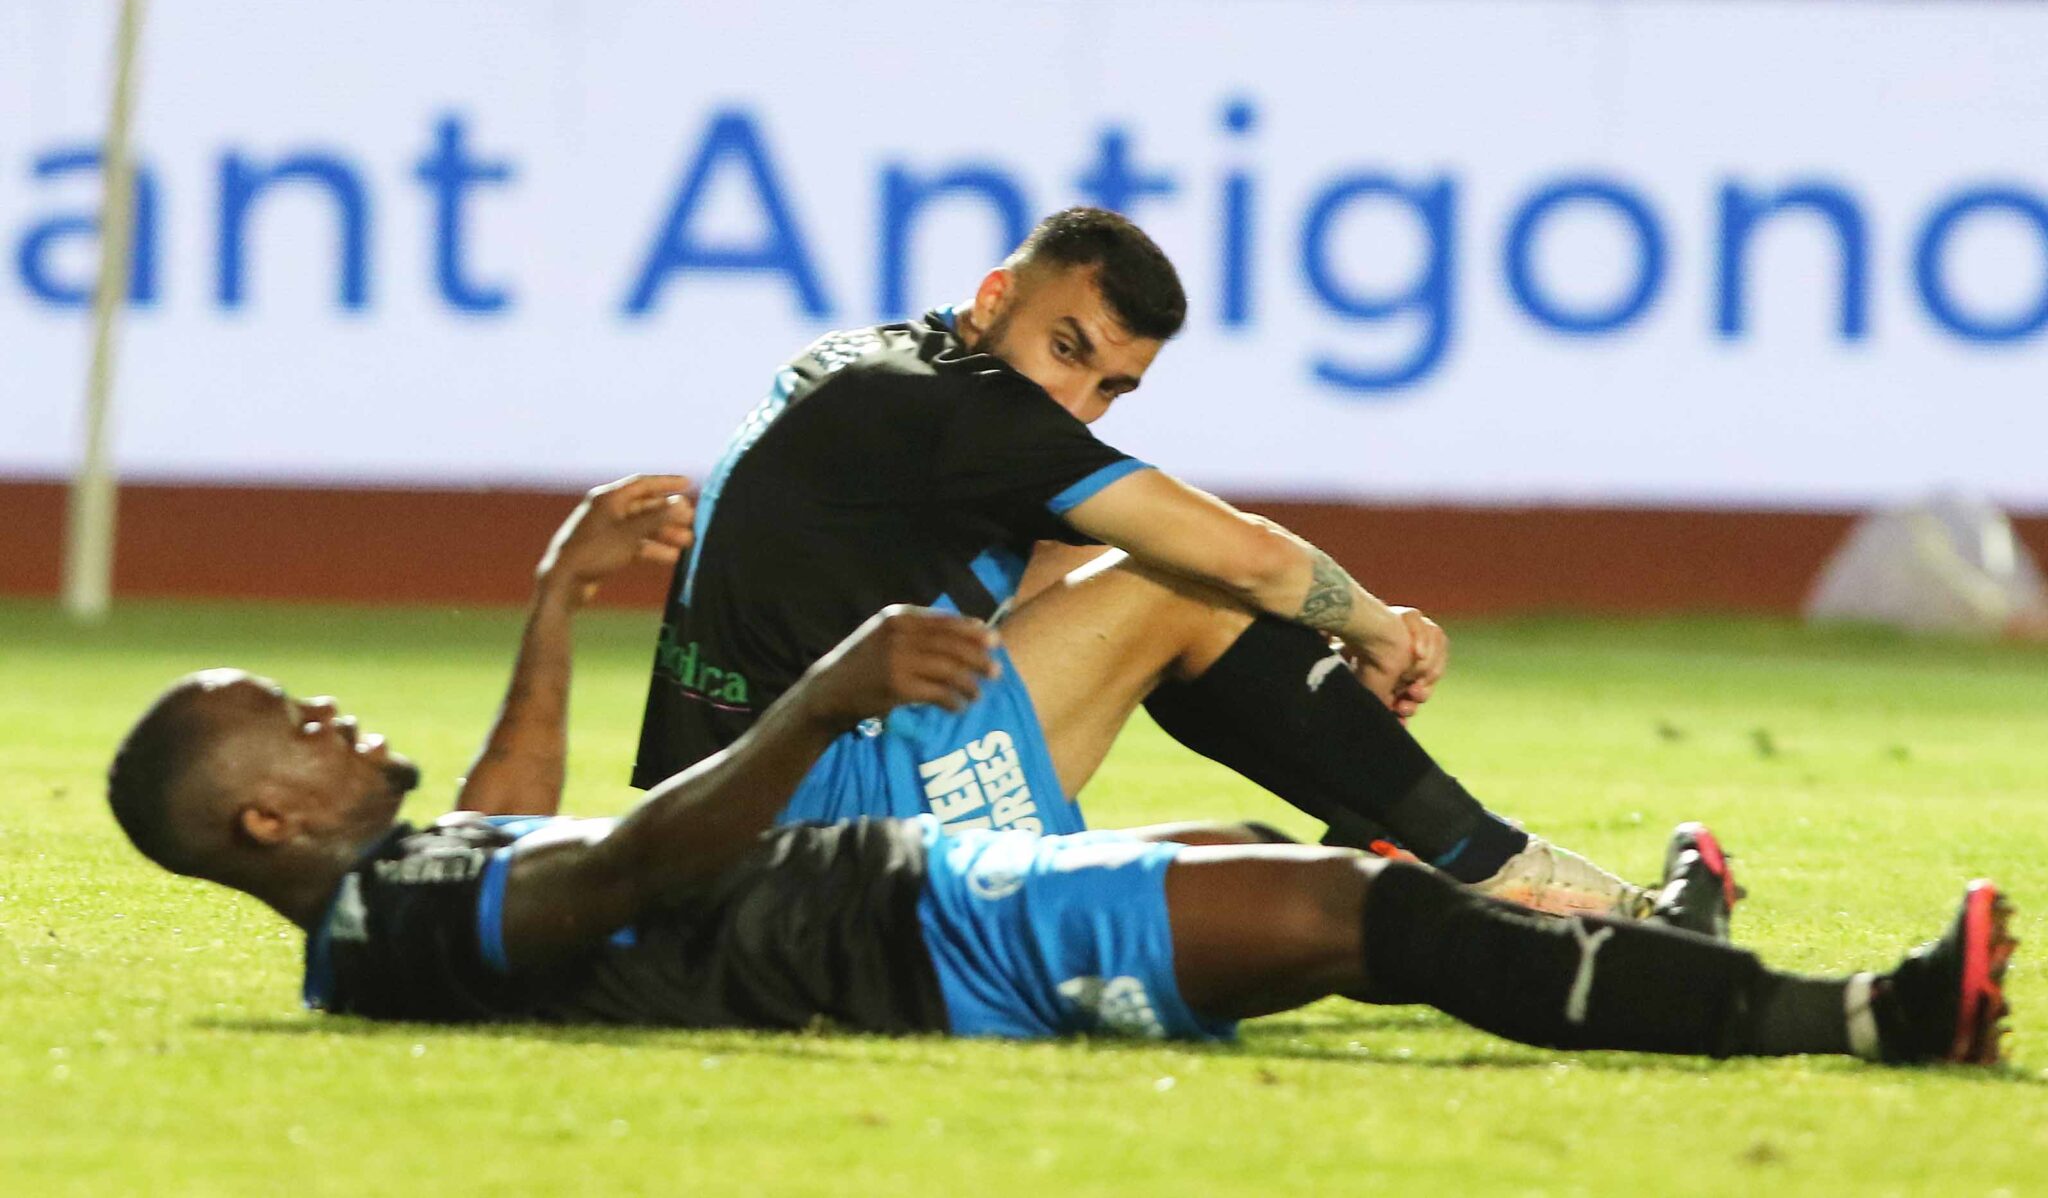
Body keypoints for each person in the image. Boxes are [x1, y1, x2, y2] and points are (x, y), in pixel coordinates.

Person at [109, 478, 2012, 1064]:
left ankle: (1669, 956)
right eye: (293, 718)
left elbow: (522, 816)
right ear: (263, 817)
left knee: (1281, 869)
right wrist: (820, 700)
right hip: (921, 946)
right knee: (1358, 913)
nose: (330, 714)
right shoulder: (396, 922)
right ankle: (1860, 1017)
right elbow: (613, 869)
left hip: (913, 912)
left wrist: (553, 593)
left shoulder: (390, 901)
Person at [636, 206, 1657, 917]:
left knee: (1199, 722)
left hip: (716, 815)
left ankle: (1386, 832)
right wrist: (1380, 629)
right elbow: (1247, 556)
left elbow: (1030, 587)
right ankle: (1489, 862)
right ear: (994, 296)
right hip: (818, 823)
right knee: (1177, 583)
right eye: (1066, 347)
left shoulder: (877, 362)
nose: (1075, 402)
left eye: (1111, 387)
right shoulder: (976, 415)